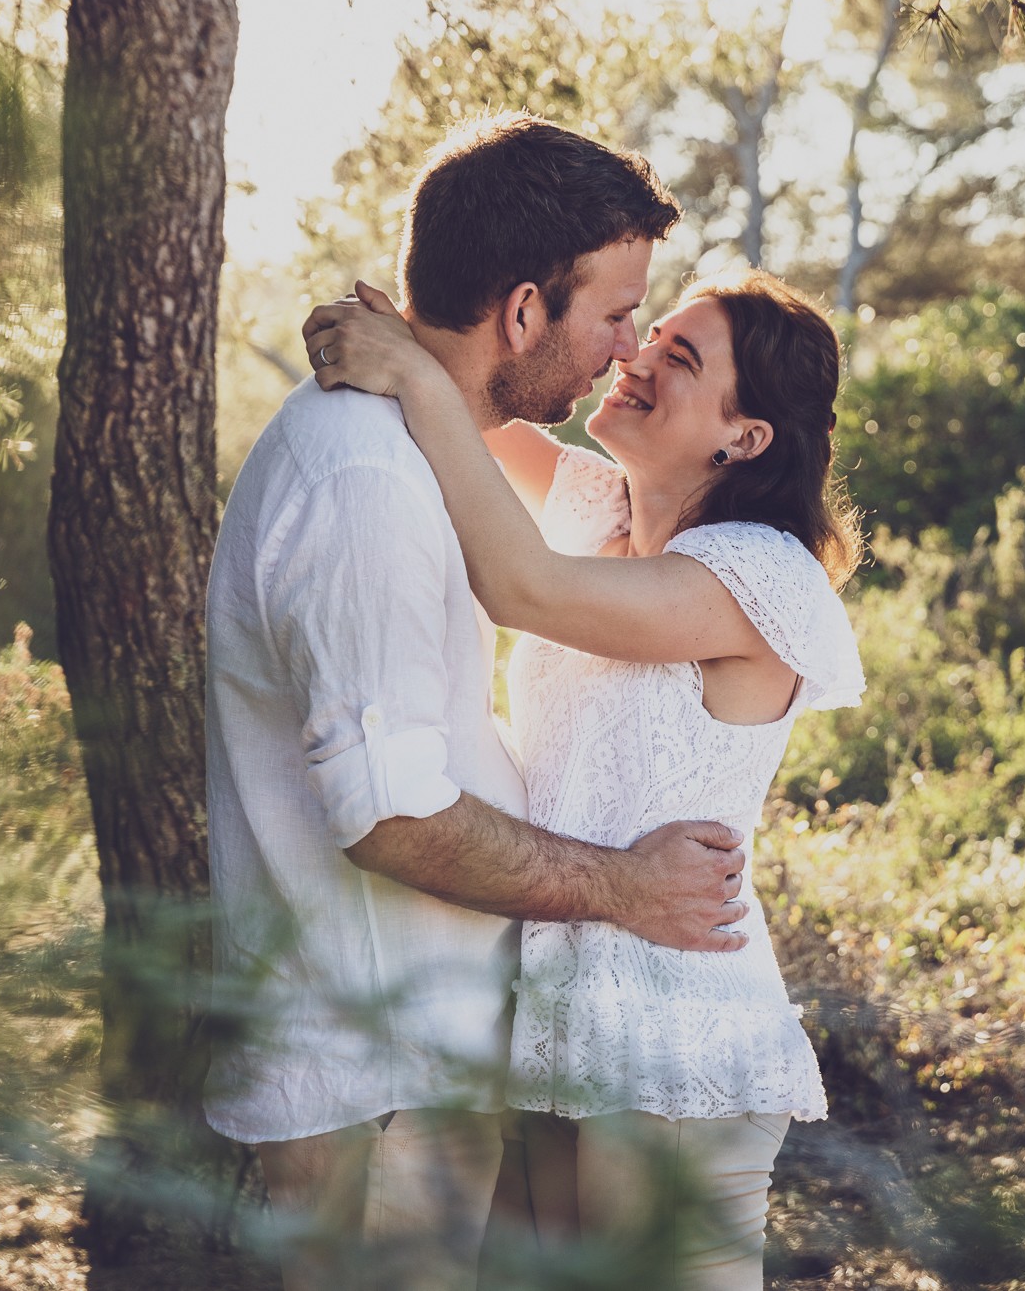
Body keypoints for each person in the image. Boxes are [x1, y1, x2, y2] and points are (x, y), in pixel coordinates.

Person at [203, 114, 756, 1291]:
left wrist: (409, 363)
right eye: (614, 314)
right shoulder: (363, 478)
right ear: (520, 313)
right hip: (374, 1081)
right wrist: (621, 887)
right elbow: (389, 815)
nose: (624, 350)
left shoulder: (414, 447)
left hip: (420, 1070)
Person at [303, 262, 865, 1290]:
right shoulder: (596, 506)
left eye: (679, 359)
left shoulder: (757, 574)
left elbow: (523, 586)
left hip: (679, 1037)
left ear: (744, 438)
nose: (637, 356)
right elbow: (474, 392)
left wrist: (418, 380)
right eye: (649, 333)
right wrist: (410, 324)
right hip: (558, 1022)